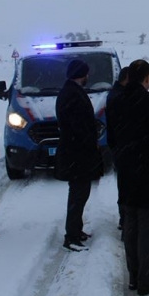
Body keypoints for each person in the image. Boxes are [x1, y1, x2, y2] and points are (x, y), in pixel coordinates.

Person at [107, 59, 149, 296]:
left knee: (131, 227)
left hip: (127, 176)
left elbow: (112, 140)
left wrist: (124, 161)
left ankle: (134, 276)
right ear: (146, 79)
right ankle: (145, 278)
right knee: (148, 230)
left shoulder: (115, 102)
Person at [55, 59, 104, 252]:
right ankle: (71, 237)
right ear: (81, 74)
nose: (88, 77)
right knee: (77, 195)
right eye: (86, 73)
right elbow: (77, 126)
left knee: (81, 194)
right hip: (76, 154)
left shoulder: (71, 92)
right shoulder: (71, 94)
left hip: (77, 152)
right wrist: (89, 141)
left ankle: (77, 230)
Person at [106, 66, 129, 231]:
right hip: (122, 149)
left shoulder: (115, 94)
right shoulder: (118, 97)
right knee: (125, 185)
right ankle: (125, 219)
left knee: (124, 185)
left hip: (119, 148)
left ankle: (125, 217)